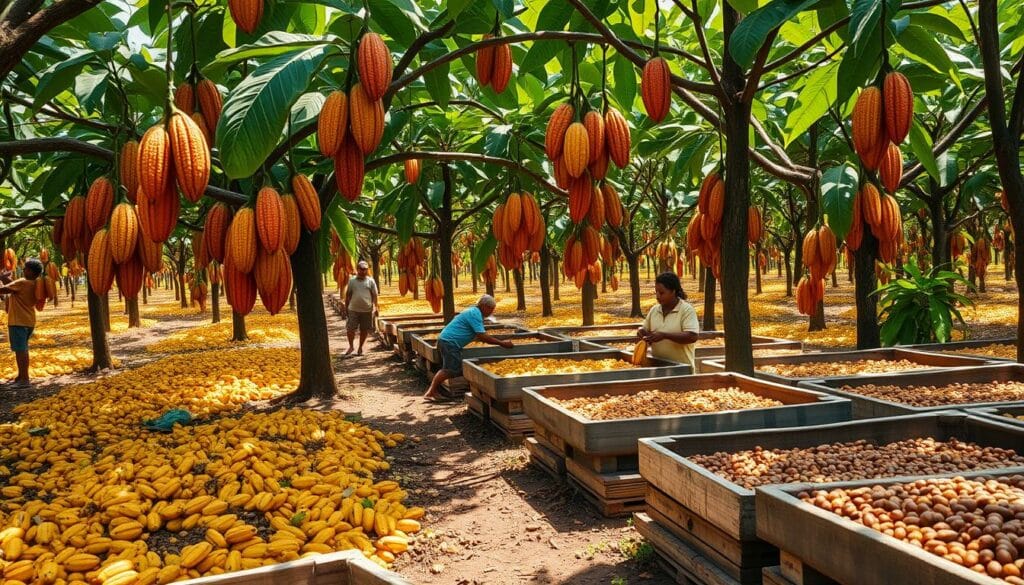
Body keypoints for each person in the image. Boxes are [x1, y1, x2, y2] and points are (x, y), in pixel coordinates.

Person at [423, 295, 513, 402]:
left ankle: (435, 391)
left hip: (448, 341)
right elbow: (482, 336)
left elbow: (478, 334)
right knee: (450, 370)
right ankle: (431, 392)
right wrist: (502, 343)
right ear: (484, 306)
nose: (491, 312)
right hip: (450, 342)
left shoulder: (474, 311)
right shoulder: (475, 314)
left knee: (452, 368)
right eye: (490, 309)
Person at [637, 271, 700, 371]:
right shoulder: (654, 310)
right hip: (658, 367)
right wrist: (641, 332)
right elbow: (644, 328)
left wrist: (665, 335)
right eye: (656, 292)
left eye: (662, 293)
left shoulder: (686, 310)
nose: (657, 296)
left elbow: (692, 336)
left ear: (673, 291)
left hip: (681, 369)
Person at [0, 259, 44, 387]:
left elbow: (4, 290)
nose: (23, 270)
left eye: (25, 268)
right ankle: (21, 375)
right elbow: (14, 286)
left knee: (20, 350)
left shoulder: (23, 282)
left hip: (18, 321)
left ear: (30, 271)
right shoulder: (35, 283)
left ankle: (24, 379)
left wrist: (1, 278)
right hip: (28, 321)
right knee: (22, 348)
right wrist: (4, 278)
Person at [342, 260, 379, 356]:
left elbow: (375, 295)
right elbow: (348, 295)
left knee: (364, 329)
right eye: (361, 269)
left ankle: (360, 347)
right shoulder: (352, 281)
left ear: (367, 270)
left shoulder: (371, 281)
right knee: (350, 329)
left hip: (367, 310)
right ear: (357, 269)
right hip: (353, 309)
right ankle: (351, 346)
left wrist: (376, 307)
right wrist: (346, 308)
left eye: (365, 269)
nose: (363, 271)